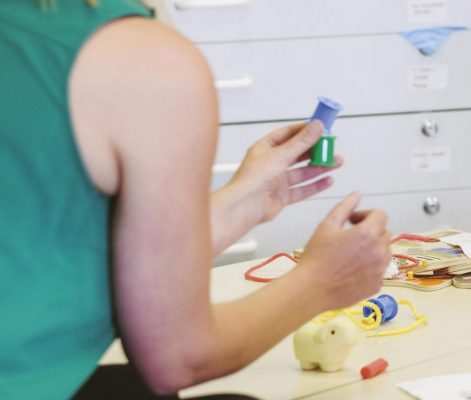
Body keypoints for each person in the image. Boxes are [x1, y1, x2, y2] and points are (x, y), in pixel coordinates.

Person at [0, 1, 392, 398]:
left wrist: (245, 201)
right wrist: (323, 280)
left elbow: (45, 257)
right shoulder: (141, 59)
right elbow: (179, 359)